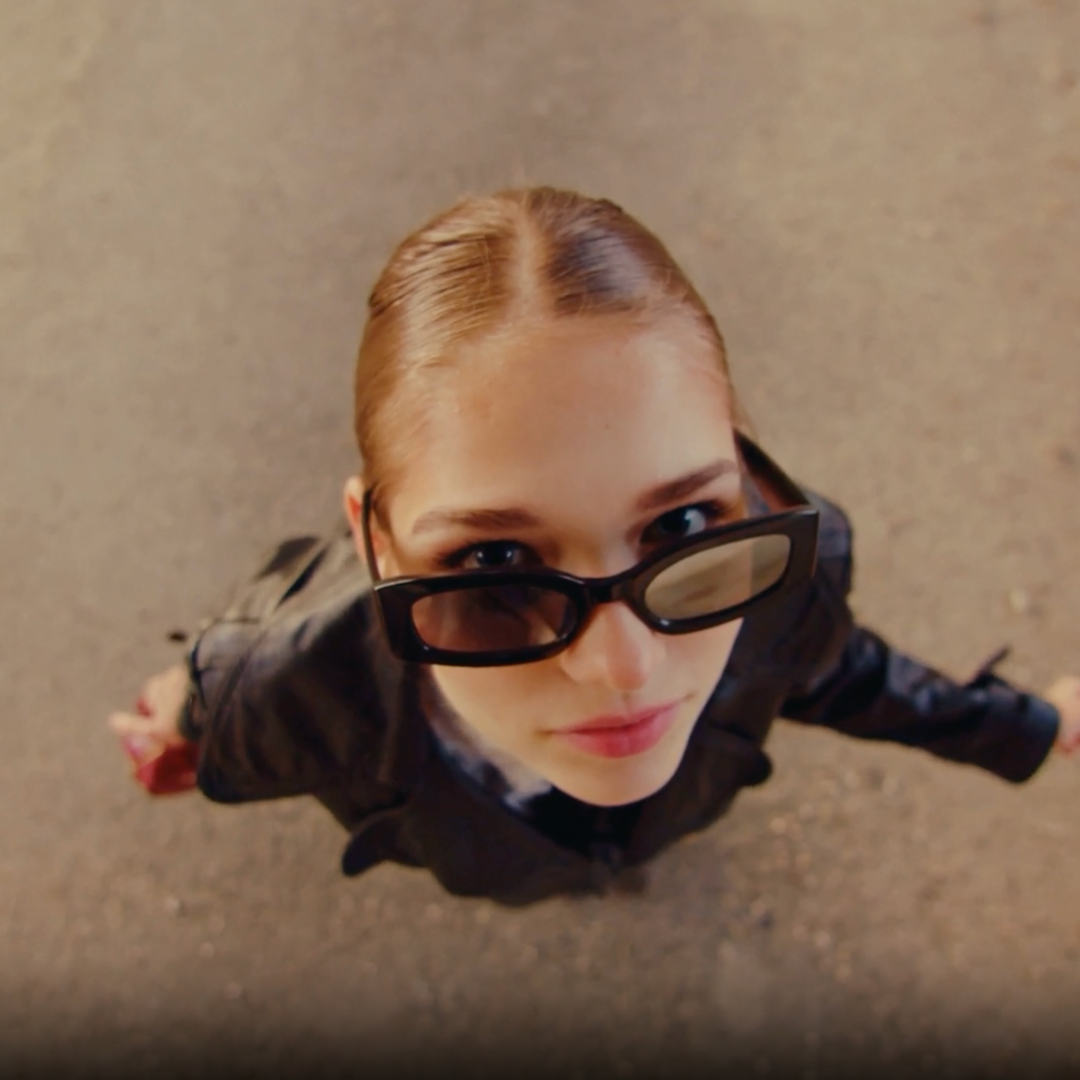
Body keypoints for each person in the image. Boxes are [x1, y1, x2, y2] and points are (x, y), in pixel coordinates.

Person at [108, 187, 1080, 906]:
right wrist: (178, 719)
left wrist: (1028, 723)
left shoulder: (777, 585)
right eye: (495, 572)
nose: (624, 666)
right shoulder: (286, 685)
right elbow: (222, 689)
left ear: (739, 480)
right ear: (372, 541)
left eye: (684, 528)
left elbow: (854, 674)